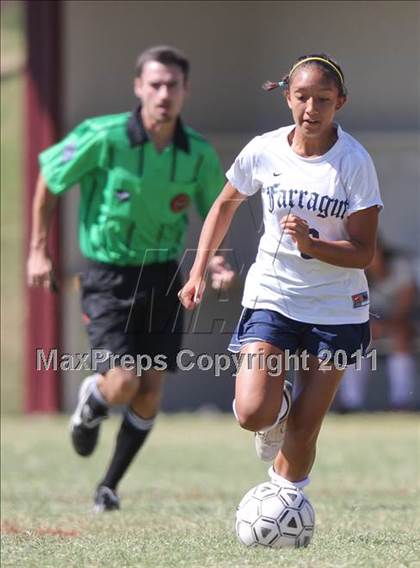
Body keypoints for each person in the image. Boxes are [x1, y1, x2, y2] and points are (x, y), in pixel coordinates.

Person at [27, 45, 234, 512]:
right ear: (138, 87)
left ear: (186, 91)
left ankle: (109, 486)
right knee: (124, 382)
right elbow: (50, 179)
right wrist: (39, 250)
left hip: (164, 276)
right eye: (155, 84)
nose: (164, 94)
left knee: (152, 387)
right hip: (108, 275)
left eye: (172, 85)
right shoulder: (103, 137)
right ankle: (94, 399)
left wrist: (215, 261)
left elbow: (215, 212)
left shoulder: (196, 153)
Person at [179, 53, 383, 492]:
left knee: (304, 430)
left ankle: (285, 503)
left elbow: (364, 252)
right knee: (253, 413)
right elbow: (224, 205)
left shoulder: (354, 162)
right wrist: (197, 270)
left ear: (340, 103)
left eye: (323, 100)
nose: (312, 109)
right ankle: (278, 402)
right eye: (303, 97)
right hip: (273, 295)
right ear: (287, 97)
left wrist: (313, 245)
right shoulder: (264, 149)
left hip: (335, 306)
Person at [339, 239, 418, 411]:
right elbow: (354, 308)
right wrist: (372, 325)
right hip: (369, 324)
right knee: (354, 340)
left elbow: (406, 304)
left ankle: (401, 402)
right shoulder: (356, 274)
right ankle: (351, 403)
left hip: (400, 321)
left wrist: (387, 325)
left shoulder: (400, 266)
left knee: (401, 337)